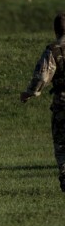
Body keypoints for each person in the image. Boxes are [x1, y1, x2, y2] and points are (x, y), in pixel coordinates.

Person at [21, 12, 65, 193]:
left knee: (62, 143)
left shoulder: (54, 49)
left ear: (55, 30)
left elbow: (42, 77)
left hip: (63, 102)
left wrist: (29, 93)